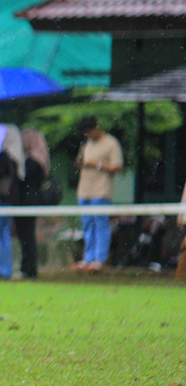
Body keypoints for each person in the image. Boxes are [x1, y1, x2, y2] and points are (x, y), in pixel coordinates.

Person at [74, 116, 123, 272]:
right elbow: (82, 164)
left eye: (89, 132)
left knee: (100, 224)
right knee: (87, 224)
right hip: (84, 190)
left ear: (96, 128)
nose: (87, 136)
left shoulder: (111, 143)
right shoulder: (87, 143)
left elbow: (118, 166)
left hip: (101, 190)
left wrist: (98, 165)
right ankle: (88, 258)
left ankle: (99, 259)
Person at [0, 125, 24, 279]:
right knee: (5, 233)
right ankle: (6, 267)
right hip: (9, 199)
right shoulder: (15, 158)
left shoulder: (0, 157)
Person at [16, 128, 50, 278]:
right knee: (25, 236)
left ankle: (29, 267)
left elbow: (24, 178)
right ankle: (28, 266)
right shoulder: (39, 159)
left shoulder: (33, 161)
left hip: (28, 200)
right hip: (28, 199)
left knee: (28, 235)